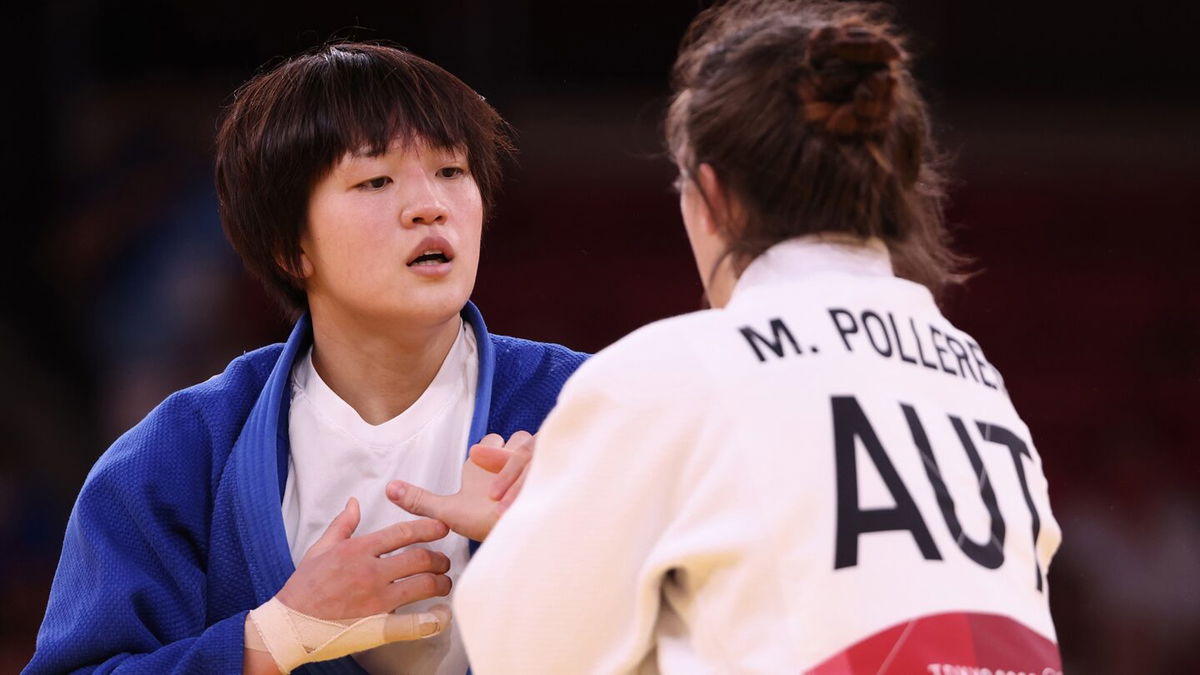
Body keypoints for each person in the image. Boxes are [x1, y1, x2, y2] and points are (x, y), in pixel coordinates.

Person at [435, 1, 1064, 671]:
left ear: (713, 195)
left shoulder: (672, 373)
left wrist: (531, 535)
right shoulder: (977, 380)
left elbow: (528, 655)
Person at [26, 43, 585, 675]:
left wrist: (562, 548)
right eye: (376, 180)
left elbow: (708, 635)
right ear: (291, 250)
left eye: (452, 171)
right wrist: (274, 637)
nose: (430, 205)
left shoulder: (589, 408)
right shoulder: (176, 456)